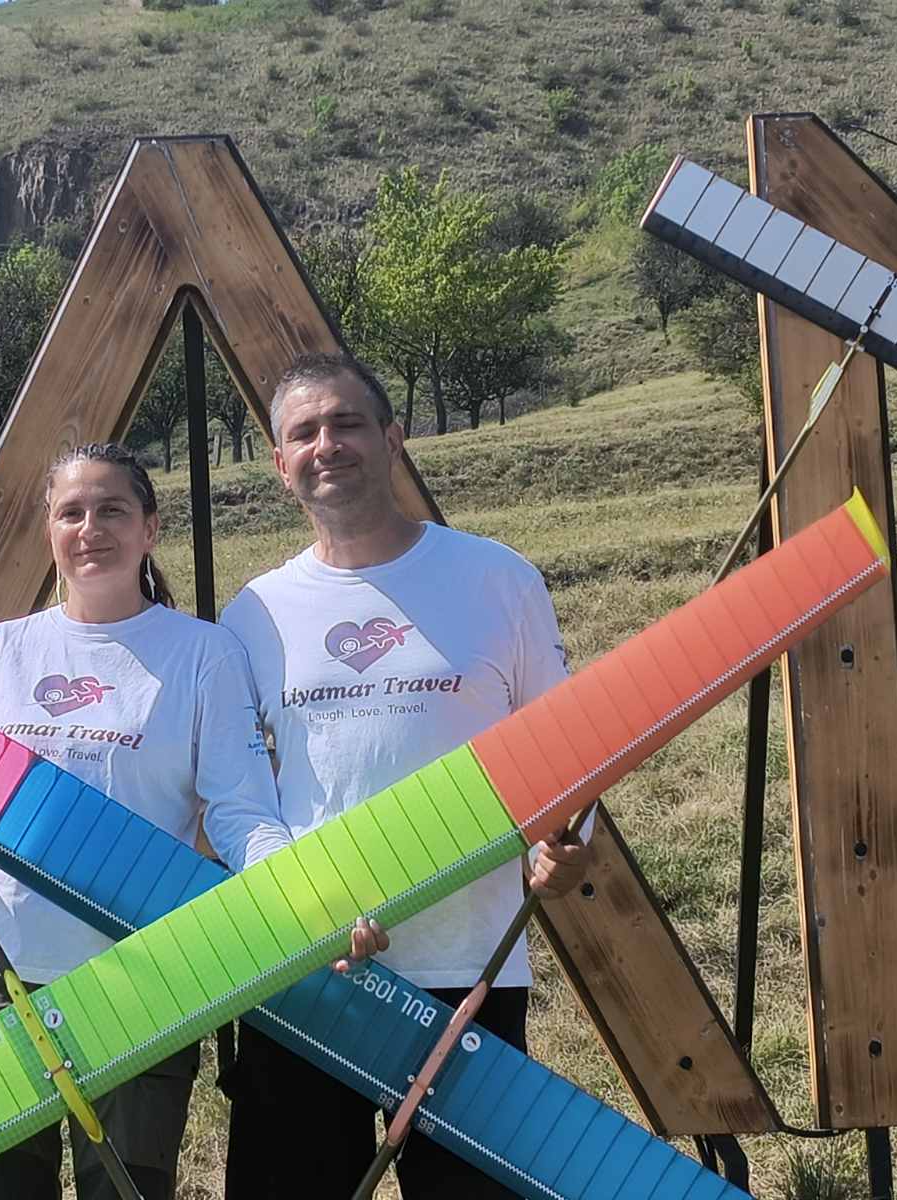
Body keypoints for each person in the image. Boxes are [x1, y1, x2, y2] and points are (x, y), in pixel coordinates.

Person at [218, 352, 592, 1199]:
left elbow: (567, 745)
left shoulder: (497, 578)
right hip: (309, 967)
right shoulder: (254, 614)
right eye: (304, 433)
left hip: (468, 964)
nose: (327, 445)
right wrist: (301, 904)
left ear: (392, 439)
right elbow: (239, 799)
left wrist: (567, 843)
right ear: (279, 463)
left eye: (347, 423)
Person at [0, 442, 291, 1200]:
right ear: (49, 529)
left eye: (112, 510)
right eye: (70, 512)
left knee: (127, 1190)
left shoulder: (203, 654)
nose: (90, 528)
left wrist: (295, 899)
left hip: (139, 978)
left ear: (150, 528)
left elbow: (241, 811)